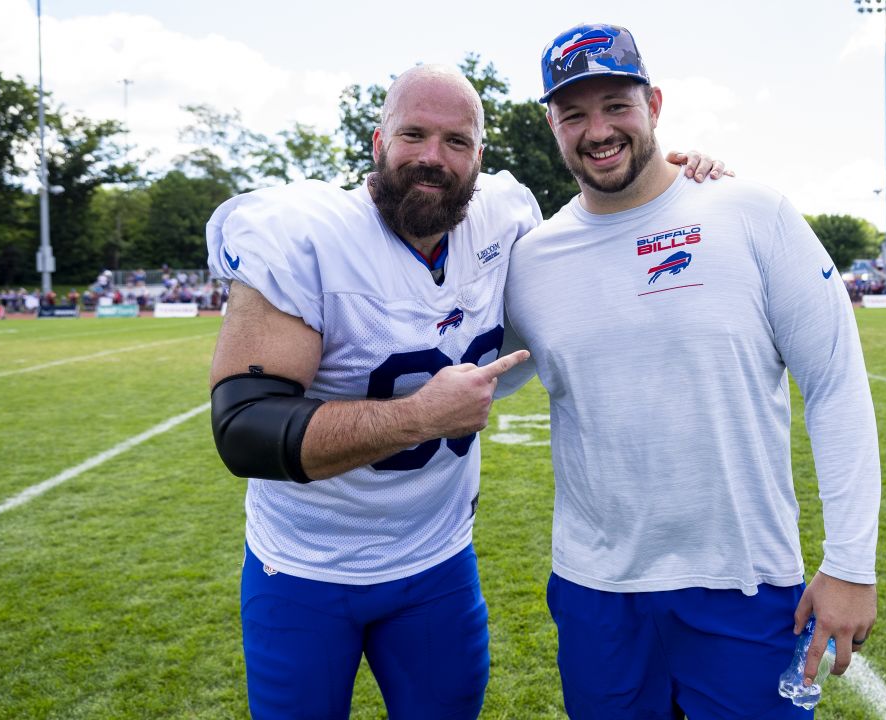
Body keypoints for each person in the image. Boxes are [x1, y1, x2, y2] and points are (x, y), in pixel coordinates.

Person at [204, 63, 724, 719]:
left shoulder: (505, 218)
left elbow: (606, 247)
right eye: (413, 135)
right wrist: (416, 418)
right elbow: (245, 429)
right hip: (305, 570)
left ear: (480, 155)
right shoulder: (305, 235)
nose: (432, 158)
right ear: (377, 142)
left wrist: (667, 184)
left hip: (437, 564)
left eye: (456, 142)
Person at [502, 23, 882, 719]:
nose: (598, 130)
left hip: (744, 584)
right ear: (551, 123)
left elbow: (834, 384)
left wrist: (851, 564)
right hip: (597, 593)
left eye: (616, 104)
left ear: (654, 103)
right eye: (574, 113)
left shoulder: (748, 212)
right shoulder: (532, 261)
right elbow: (470, 384)